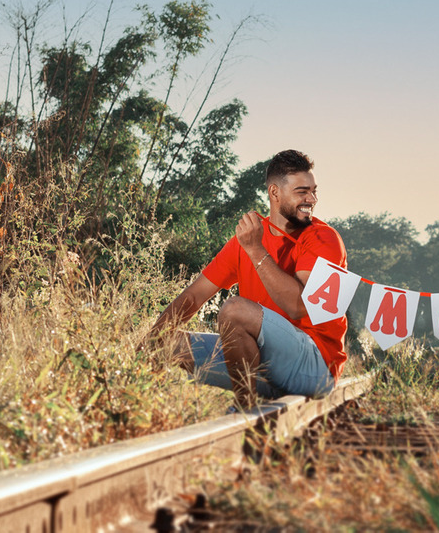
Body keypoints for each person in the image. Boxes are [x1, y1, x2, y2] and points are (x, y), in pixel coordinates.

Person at [141, 149, 348, 409]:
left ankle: (246, 411)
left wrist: (256, 251)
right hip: (265, 364)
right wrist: (148, 345)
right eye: (302, 192)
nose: (312, 199)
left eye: (314, 190)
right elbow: (194, 296)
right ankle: (142, 407)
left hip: (315, 367)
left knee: (235, 310)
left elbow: (297, 306)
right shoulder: (247, 240)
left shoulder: (324, 239)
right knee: (167, 343)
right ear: (275, 193)